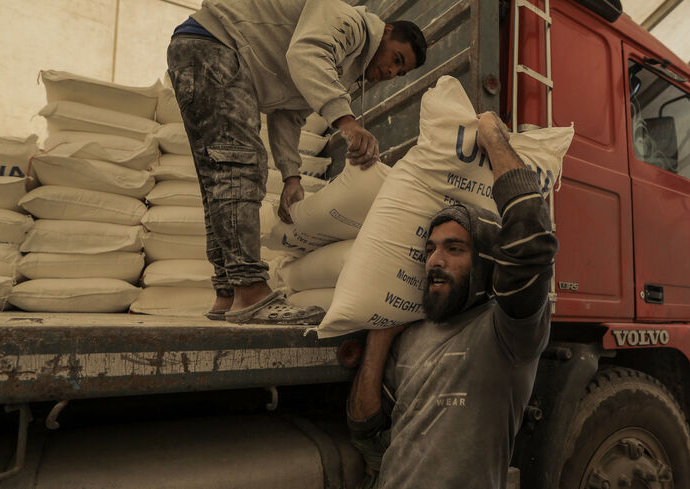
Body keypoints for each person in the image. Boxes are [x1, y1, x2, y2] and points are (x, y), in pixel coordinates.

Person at [166, 0, 427, 324]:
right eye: (396, 59)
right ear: (385, 32)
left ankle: (228, 292)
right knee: (240, 171)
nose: (391, 72)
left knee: (220, 178)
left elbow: (288, 115)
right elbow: (306, 56)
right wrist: (346, 121)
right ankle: (250, 290)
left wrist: (292, 178)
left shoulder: (341, 69)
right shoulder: (352, 24)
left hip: (199, 50)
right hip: (216, 47)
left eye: (400, 72)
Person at [347, 112, 559, 488]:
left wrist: (493, 137)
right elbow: (368, 434)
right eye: (429, 249)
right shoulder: (411, 336)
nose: (434, 260)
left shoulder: (508, 335)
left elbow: (531, 236)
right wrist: (380, 335)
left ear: (486, 261)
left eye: (454, 248)